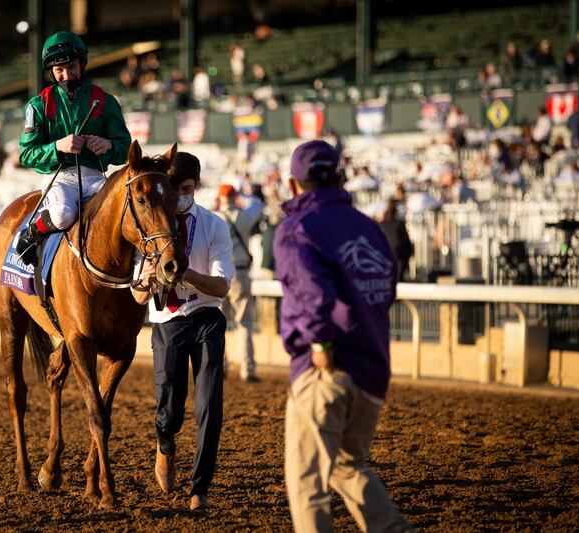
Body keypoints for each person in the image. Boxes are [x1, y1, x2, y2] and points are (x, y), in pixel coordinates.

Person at [273, 140, 410, 533]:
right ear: (339, 176)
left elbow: (313, 294)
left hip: (327, 368)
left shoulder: (296, 229)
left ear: (293, 184)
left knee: (307, 483)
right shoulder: (368, 226)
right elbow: (387, 286)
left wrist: (320, 345)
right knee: (348, 467)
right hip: (372, 368)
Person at [131, 152, 234, 512]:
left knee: (209, 408)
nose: (181, 196)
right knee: (169, 412)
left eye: (187, 189)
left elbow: (221, 288)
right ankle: (164, 445)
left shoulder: (214, 225)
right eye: (175, 190)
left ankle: (199, 489)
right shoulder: (152, 227)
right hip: (167, 322)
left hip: (206, 317)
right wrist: (144, 281)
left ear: (197, 186)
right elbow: (137, 293)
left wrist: (182, 270)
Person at [16, 31, 131, 259]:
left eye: (72, 67)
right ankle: (31, 233)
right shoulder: (38, 105)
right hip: (59, 178)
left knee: (126, 212)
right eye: (59, 70)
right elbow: (27, 154)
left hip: (95, 177)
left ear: (82, 65)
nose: (66, 74)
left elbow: (126, 150)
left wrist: (108, 145)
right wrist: (58, 146)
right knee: (62, 214)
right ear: (51, 72)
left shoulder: (106, 101)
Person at [214, 183, 262, 381]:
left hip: (219, 274)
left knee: (218, 325)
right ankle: (247, 369)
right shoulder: (245, 216)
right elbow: (258, 203)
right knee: (244, 324)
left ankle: (221, 365)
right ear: (235, 197)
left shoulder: (214, 217)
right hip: (241, 272)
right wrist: (244, 195)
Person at [376, 200, 414, 282]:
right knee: (398, 278)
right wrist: (410, 252)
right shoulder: (399, 224)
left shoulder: (381, 225)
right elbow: (406, 243)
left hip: (385, 255)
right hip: (398, 255)